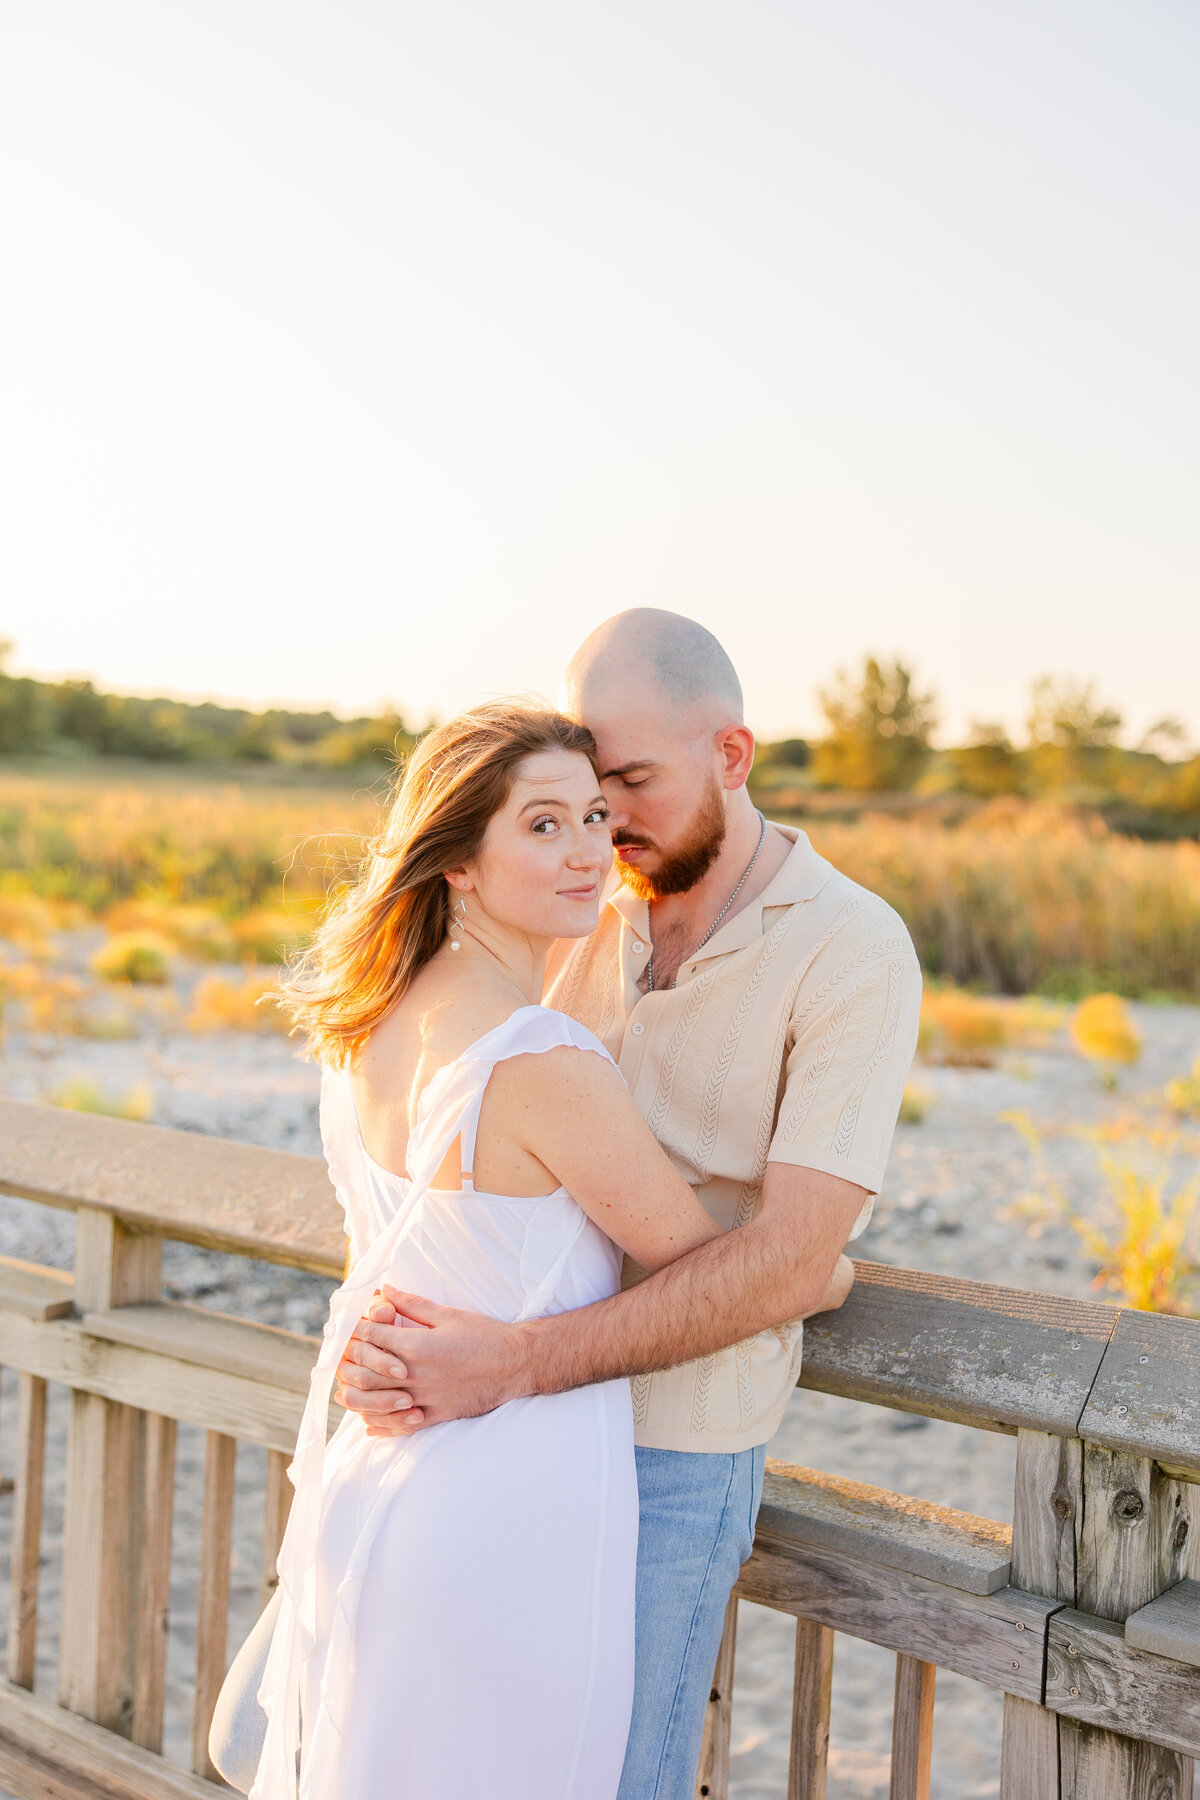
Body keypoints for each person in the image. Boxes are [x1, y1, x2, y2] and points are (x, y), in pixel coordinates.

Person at [213, 699, 854, 1799]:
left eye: (596, 817)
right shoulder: (541, 1058)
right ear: (460, 860)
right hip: (507, 1504)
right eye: (543, 825)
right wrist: (826, 1270)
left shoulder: (371, 1022)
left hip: (386, 1484)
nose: (589, 853)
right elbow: (710, 1266)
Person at [334, 610, 922, 1799]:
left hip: (673, 1450)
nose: (605, 824)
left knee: (610, 1780)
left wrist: (511, 1364)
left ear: (733, 754)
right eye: (585, 795)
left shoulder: (852, 948)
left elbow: (792, 1258)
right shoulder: (571, 905)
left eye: (631, 785)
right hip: (492, 1434)